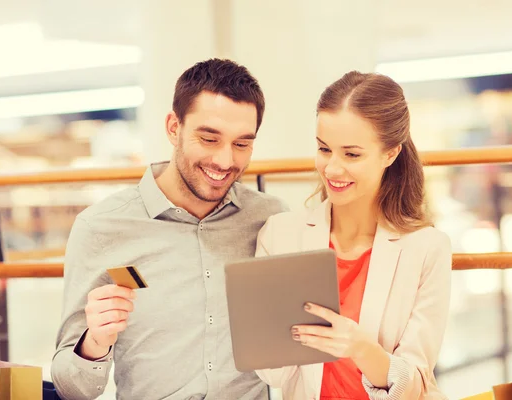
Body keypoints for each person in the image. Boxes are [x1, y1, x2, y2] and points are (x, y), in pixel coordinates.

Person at [51, 58, 288, 400]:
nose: (225, 161)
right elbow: (71, 388)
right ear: (173, 128)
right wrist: (95, 344)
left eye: (241, 144)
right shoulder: (101, 228)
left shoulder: (271, 219)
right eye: (209, 139)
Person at [255, 71, 452, 400]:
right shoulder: (281, 235)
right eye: (323, 149)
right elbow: (272, 373)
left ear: (390, 154)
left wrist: (360, 348)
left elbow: (415, 385)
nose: (332, 168)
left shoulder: (427, 248)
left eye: (351, 154)